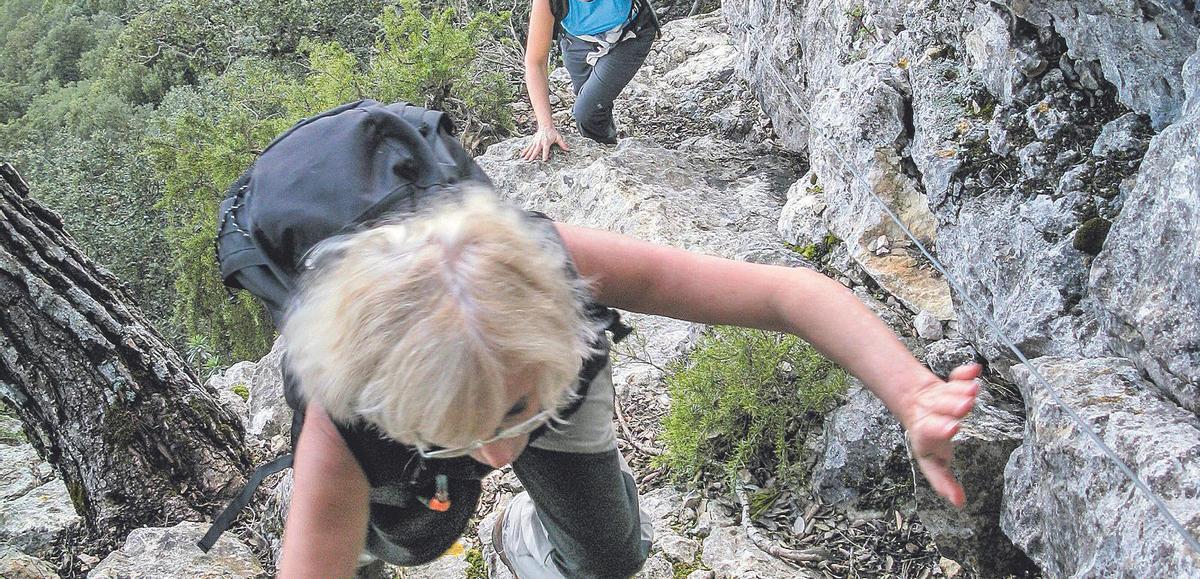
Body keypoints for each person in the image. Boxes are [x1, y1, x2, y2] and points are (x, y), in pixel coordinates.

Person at [275, 187, 981, 578]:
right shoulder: (344, 412)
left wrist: (911, 391)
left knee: (611, 558)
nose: (495, 457)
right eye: (464, 434)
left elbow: (784, 294)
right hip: (401, 417)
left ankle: (520, 518)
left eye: (513, 413)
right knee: (410, 535)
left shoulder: (554, 271)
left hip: (548, 374)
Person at [521, 0, 734, 162]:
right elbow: (535, 61)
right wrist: (545, 127)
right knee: (593, 106)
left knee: (586, 111)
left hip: (630, 35)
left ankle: (607, 158)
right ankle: (602, 151)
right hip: (579, 43)